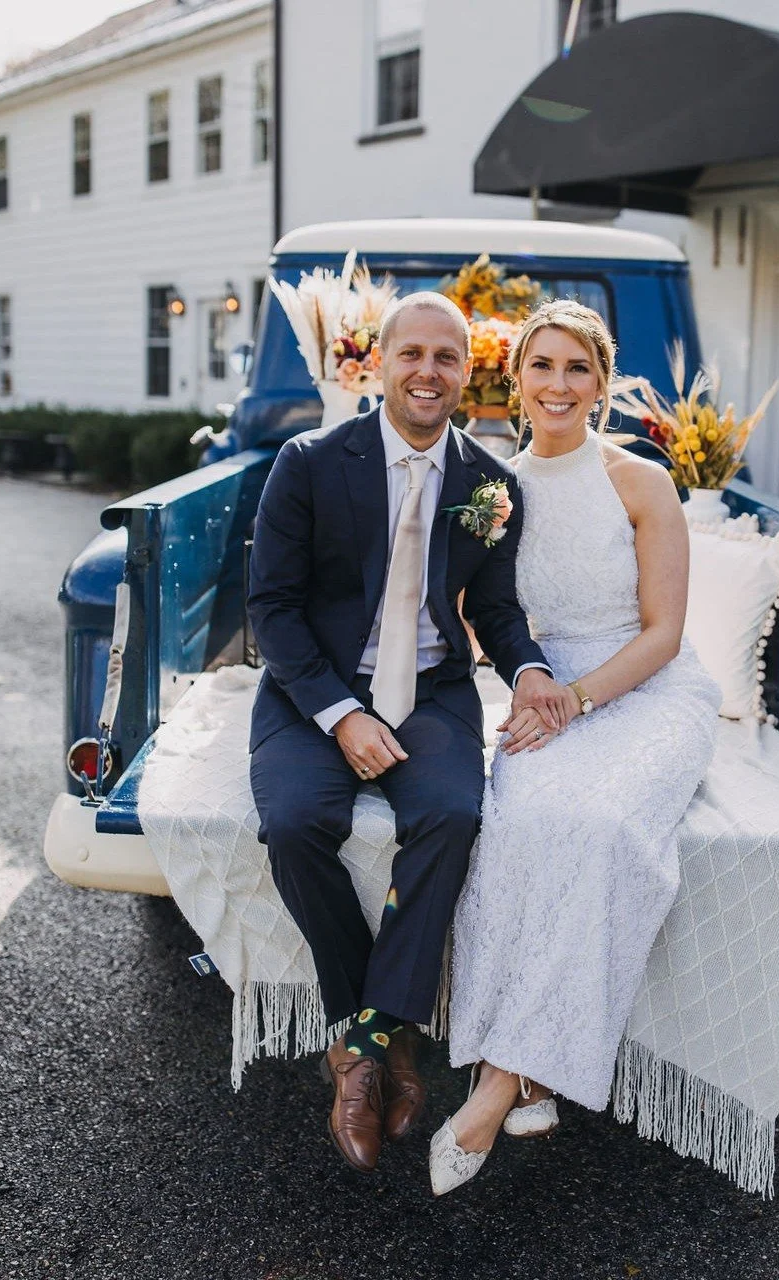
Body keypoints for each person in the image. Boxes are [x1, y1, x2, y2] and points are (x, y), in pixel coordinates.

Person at [247, 292, 570, 1175]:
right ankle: (378, 1047)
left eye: (447, 358)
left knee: (452, 818)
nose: (428, 371)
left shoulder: (490, 484)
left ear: (469, 373)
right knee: (295, 823)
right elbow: (270, 608)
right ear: (380, 363)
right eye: (412, 354)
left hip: (431, 692)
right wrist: (340, 714)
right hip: (313, 689)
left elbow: (495, 611)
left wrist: (531, 668)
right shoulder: (309, 462)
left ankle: (366, 1041)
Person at [431, 300, 722, 1195]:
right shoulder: (490, 489)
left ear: (602, 383)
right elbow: (476, 610)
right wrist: (529, 690)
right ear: (514, 379)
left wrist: (579, 701)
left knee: (600, 829)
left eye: (578, 370)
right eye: (542, 367)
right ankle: (533, 1071)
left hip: (644, 693)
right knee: (517, 820)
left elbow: (665, 632)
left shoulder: (639, 482)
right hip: (541, 689)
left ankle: (497, 1082)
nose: (559, 386)